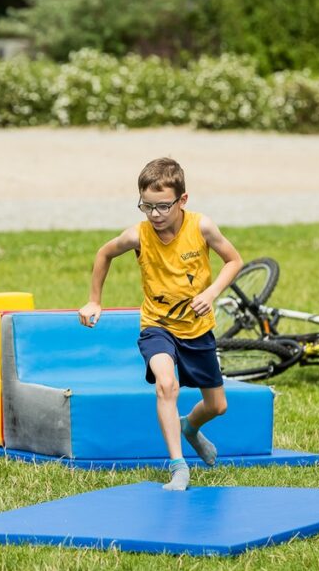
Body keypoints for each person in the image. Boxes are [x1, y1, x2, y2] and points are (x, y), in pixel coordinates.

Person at [78, 157, 243, 491]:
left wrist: (211, 293)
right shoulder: (138, 236)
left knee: (217, 406)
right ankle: (178, 466)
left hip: (197, 330)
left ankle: (190, 428)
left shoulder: (201, 227)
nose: (154, 215)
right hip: (158, 326)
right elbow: (104, 253)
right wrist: (95, 299)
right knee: (166, 384)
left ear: (182, 200)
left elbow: (234, 260)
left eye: (162, 207)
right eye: (146, 206)